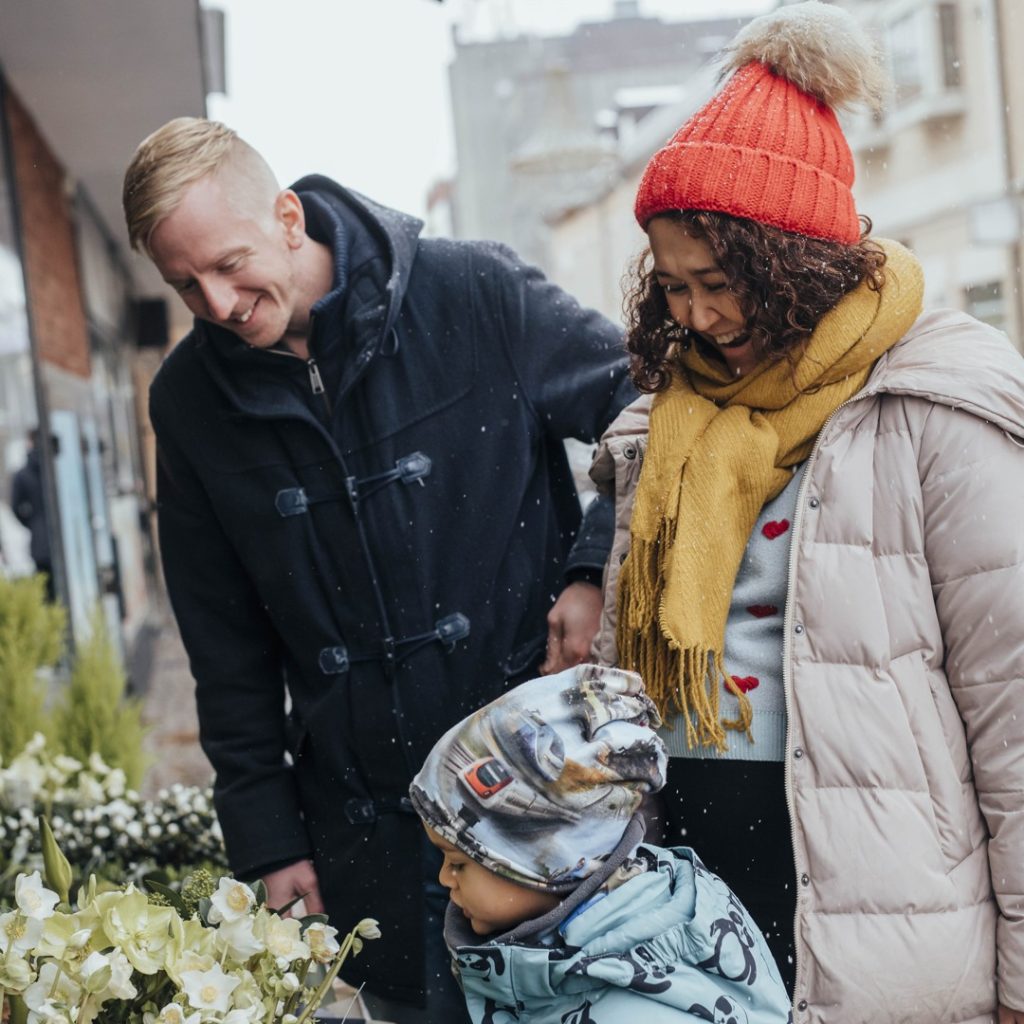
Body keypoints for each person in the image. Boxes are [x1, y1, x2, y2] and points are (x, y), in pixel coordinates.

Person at [122, 118, 634, 1020]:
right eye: (183, 284)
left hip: (546, 809)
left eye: (229, 263)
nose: (217, 303)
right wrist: (268, 845)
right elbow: (223, 648)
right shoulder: (189, 402)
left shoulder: (473, 291)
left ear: (287, 216)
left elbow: (644, 402)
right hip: (370, 842)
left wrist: (592, 568)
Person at [588, 3, 1024, 1021]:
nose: (695, 315)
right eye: (676, 286)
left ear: (796, 263)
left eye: (721, 283)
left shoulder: (935, 407)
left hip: (883, 901)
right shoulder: (662, 425)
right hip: (685, 878)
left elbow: (1013, 706)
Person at [410, 663, 793, 1023]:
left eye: (458, 862)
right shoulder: (564, 958)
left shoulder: (635, 1009)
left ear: (547, 863)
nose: (444, 878)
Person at [10, 429, 54, 600]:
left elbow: (16, 508)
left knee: (46, 593)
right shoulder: (53, 467)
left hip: (39, 542)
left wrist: (32, 523)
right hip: (61, 538)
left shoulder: (22, 474)